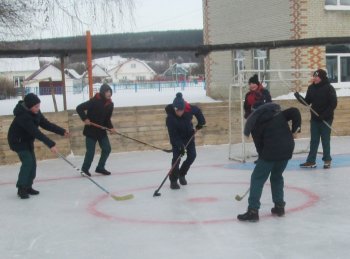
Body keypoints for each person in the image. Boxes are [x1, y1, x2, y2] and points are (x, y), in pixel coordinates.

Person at [237, 103, 301, 222]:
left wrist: (262, 157)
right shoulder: (277, 113)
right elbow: (295, 111)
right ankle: (279, 207)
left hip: (271, 151)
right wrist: (296, 129)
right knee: (276, 177)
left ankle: (253, 210)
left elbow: (259, 145)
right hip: (287, 149)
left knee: (257, 178)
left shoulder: (255, 124)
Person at [7, 93, 69, 199]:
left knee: (33, 164)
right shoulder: (23, 116)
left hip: (27, 140)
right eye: (36, 107)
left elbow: (46, 124)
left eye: (39, 106)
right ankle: (21, 188)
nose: (38, 108)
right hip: (17, 141)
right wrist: (51, 144)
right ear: (29, 106)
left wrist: (61, 131)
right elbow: (36, 132)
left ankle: (28, 186)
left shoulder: (35, 112)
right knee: (28, 162)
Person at [294, 69, 337, 169]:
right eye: (314, 76)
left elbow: (333, 104)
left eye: (316, 76)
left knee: (325, 140)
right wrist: (299, 97)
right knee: (314, 140)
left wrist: (324, 115)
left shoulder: (329, 88)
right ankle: (311, 161)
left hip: (326, 119)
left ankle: (327, 160)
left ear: (321, 78)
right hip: (315, 119)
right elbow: (307, 102)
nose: (314, 78)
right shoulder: (311, 88)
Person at [165, 92, 206, 190]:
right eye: (177, 110)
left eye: (181, 110)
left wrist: (201, 123)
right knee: (177, 158)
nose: (180, 112)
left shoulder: (188, 109)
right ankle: (173, 180)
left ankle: (182, 174)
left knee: (192, 156)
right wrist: (180, 146)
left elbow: (198, 111)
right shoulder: (170, 118)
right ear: (174, 108)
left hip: (189, 136)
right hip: (177, 139)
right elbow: (173, 136)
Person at [76, 83, 117, 177]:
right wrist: (85, 119)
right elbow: (79, 108)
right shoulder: (94, 101)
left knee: (107, 149)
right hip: (91, 131)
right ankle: (85, 169)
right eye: (107, 91)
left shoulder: (110, 104)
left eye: (110, 91)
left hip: (101, 131)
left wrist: (111, 128)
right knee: (90, 152)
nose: (109, 93)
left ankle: (100, 167)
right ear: (103, 92)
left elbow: (107, 119)